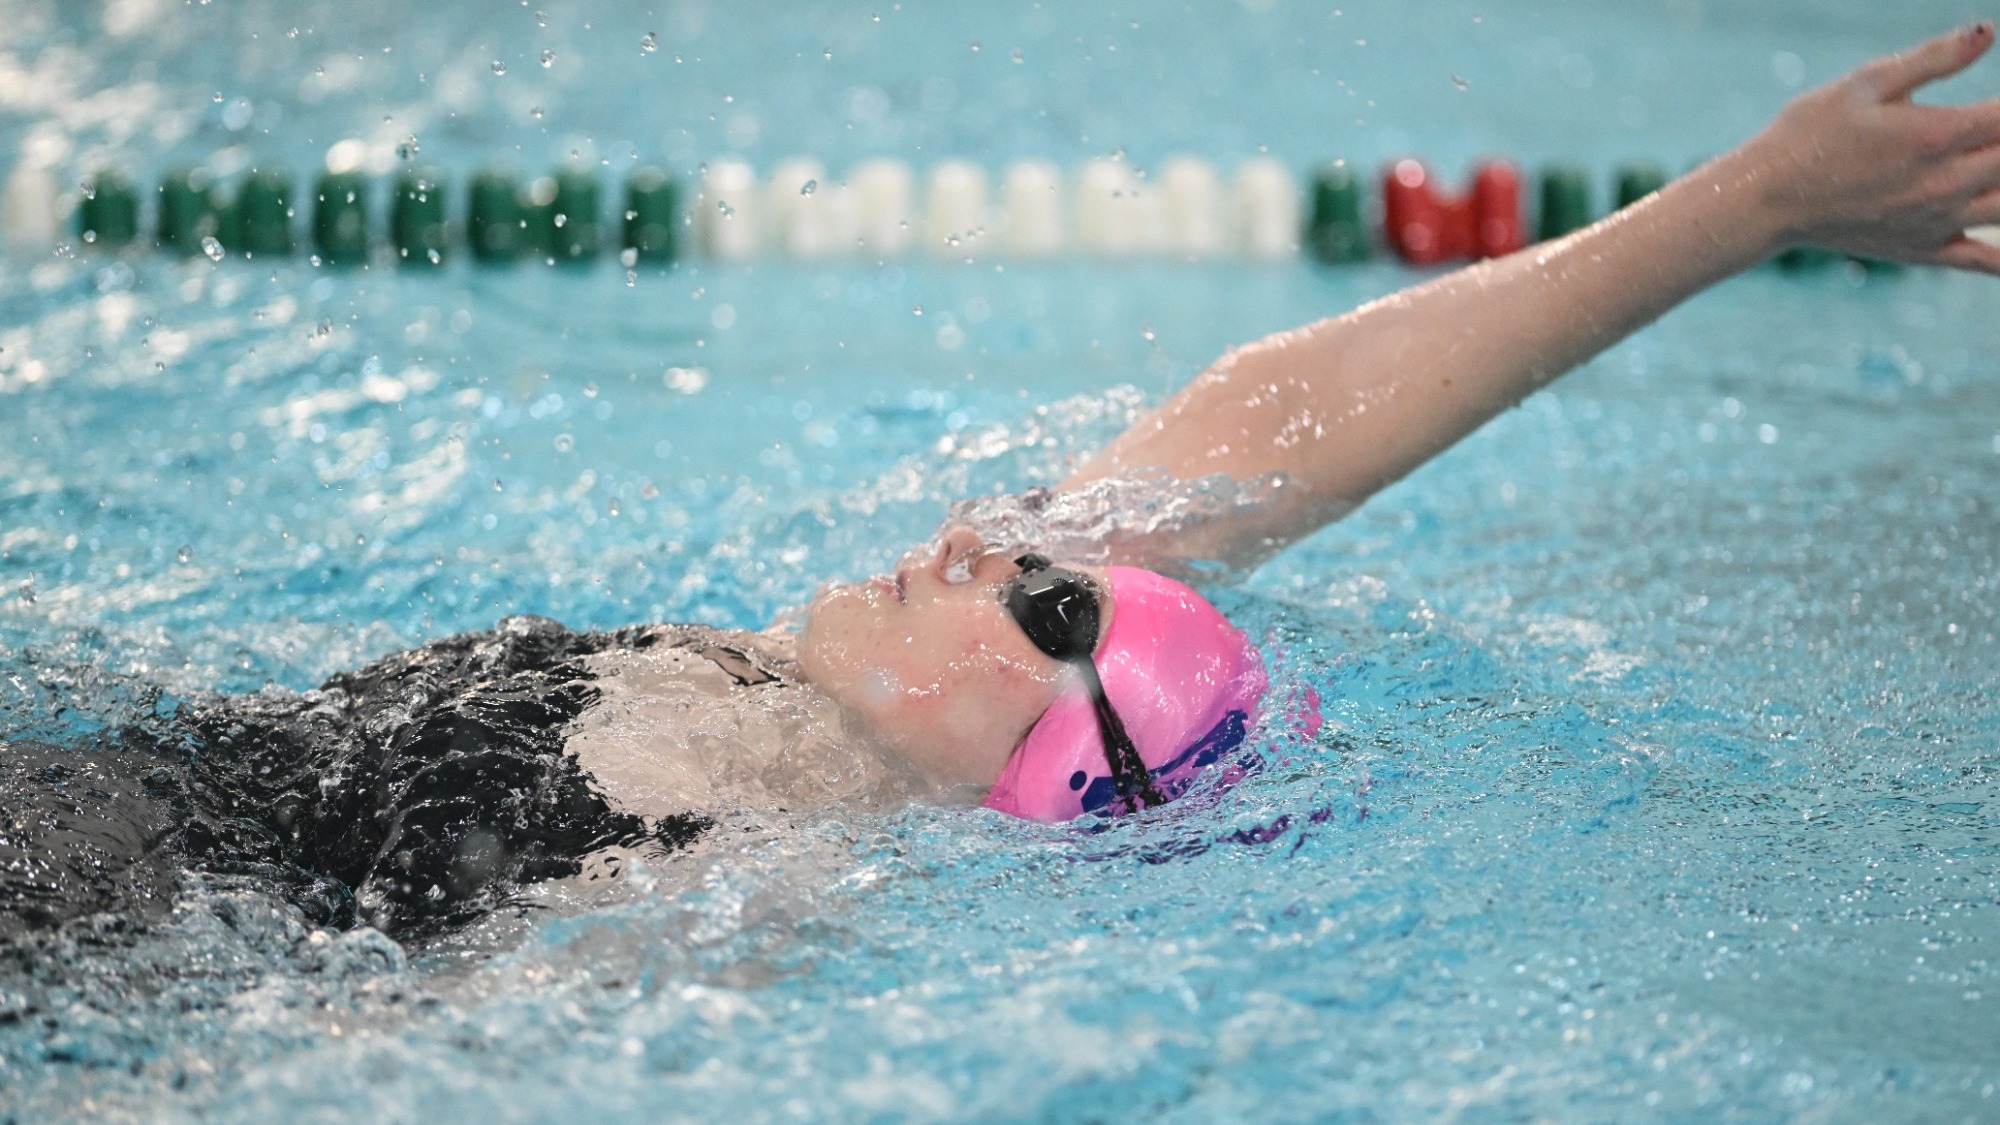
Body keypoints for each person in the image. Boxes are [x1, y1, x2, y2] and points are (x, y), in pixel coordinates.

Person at [3, 26, 1996, 942]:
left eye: (1046, 596)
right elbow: (1282, 410)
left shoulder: (736, 876)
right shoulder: (780, 702)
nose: (988, 541)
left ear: (1057, 767)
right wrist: (1751, 205)